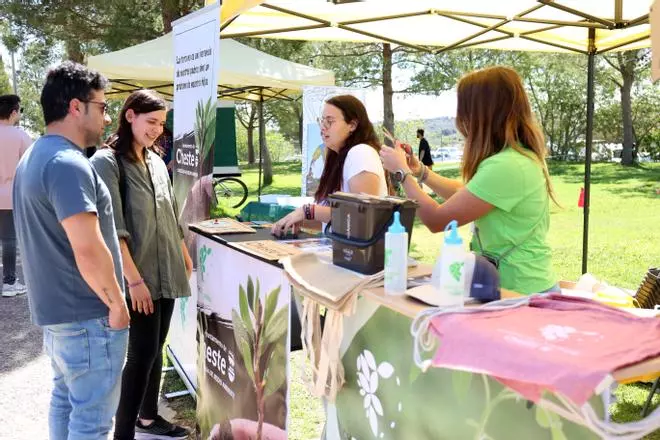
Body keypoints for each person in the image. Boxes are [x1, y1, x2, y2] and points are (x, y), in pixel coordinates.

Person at [12, 62, 130, 439]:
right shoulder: (67, 163)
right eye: (103, 107)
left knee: (66, 403)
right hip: (89, 314)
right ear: (77, 107)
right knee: (91, 423)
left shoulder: (35, 157)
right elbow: (88, 247)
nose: (107, 117)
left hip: (62, 316)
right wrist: (116, 304)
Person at [380, 66, 558, 295]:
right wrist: (420, 171)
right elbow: (466, 194)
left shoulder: (507, 166)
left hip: (522, 291)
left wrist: (401, 174)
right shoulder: (514, 158)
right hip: (516, 286)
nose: (459, 119)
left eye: (463, 108)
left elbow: (437, 220)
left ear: (482, 113)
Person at [90, 89, 193, 440]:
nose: (156, 130)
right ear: (130, 115)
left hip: (167, 271)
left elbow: (169, 213)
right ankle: (124, 434)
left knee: (155, 349)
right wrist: (134, 281)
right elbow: (111, 227)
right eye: (151, 122)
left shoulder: (154, 160)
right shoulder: (106, 163)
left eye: (162, 124)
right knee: (141, 355)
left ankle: (148, 418)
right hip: (139, 276)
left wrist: (183, 251)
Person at [272, 95, 389, 235]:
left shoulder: (361, 152)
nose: (323, 128)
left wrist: (309, 210)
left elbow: (362, 214)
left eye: (330, 121)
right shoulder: (339, 157)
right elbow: (336, 220)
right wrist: (296, 219)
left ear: (352, 125)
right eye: (322, 121)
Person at [0, 94, 31, 297]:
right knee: (9, 239)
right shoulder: (19, 135)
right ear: (13, 112)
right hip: (8, 195)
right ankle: (10, 282)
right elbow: (31, 165)